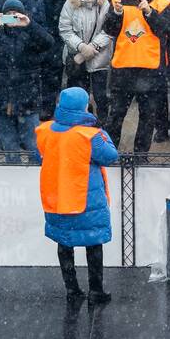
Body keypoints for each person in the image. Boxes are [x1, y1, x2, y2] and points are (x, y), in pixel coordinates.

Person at [36, 86, 120, 303]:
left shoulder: (44, 131)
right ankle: (96, 291)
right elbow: (111, 156)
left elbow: (42, 155)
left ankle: (72, 290)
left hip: (57, 198)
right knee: (93, 244)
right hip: (86, 200)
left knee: (65, 244)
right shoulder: (90, 136)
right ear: (85, 107)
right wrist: (104, 134)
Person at [0, 0, 54, 158]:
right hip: (0, 98)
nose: (12, 17)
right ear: (2, 16)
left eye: (16, 14)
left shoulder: (31, 33)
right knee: (9, 146)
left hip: (28, 98)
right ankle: (13, 175)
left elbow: (49, 42)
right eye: (8, 14)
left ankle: (37, 176)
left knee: (34, 145)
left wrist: (30, 24)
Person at [104, 0, 170, 153]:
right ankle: (108, 154)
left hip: (150, 70)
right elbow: (109, 30)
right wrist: (116, 13)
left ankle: (140, 156)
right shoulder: (118, 1)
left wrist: (149, 12)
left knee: (147, 117)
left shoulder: (161, 3)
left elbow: (166, 29)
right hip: (123, 69)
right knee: (116, 115)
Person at [59, 0, 112, 123]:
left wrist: (94, 46)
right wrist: (81, 46)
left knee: (101, 96)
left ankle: (102, 124)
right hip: (77, 56)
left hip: (99, 56)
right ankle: (79, 123)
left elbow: (109, 29)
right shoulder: (70, 4)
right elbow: (65, 29)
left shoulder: (105, 4)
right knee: (78, 94)